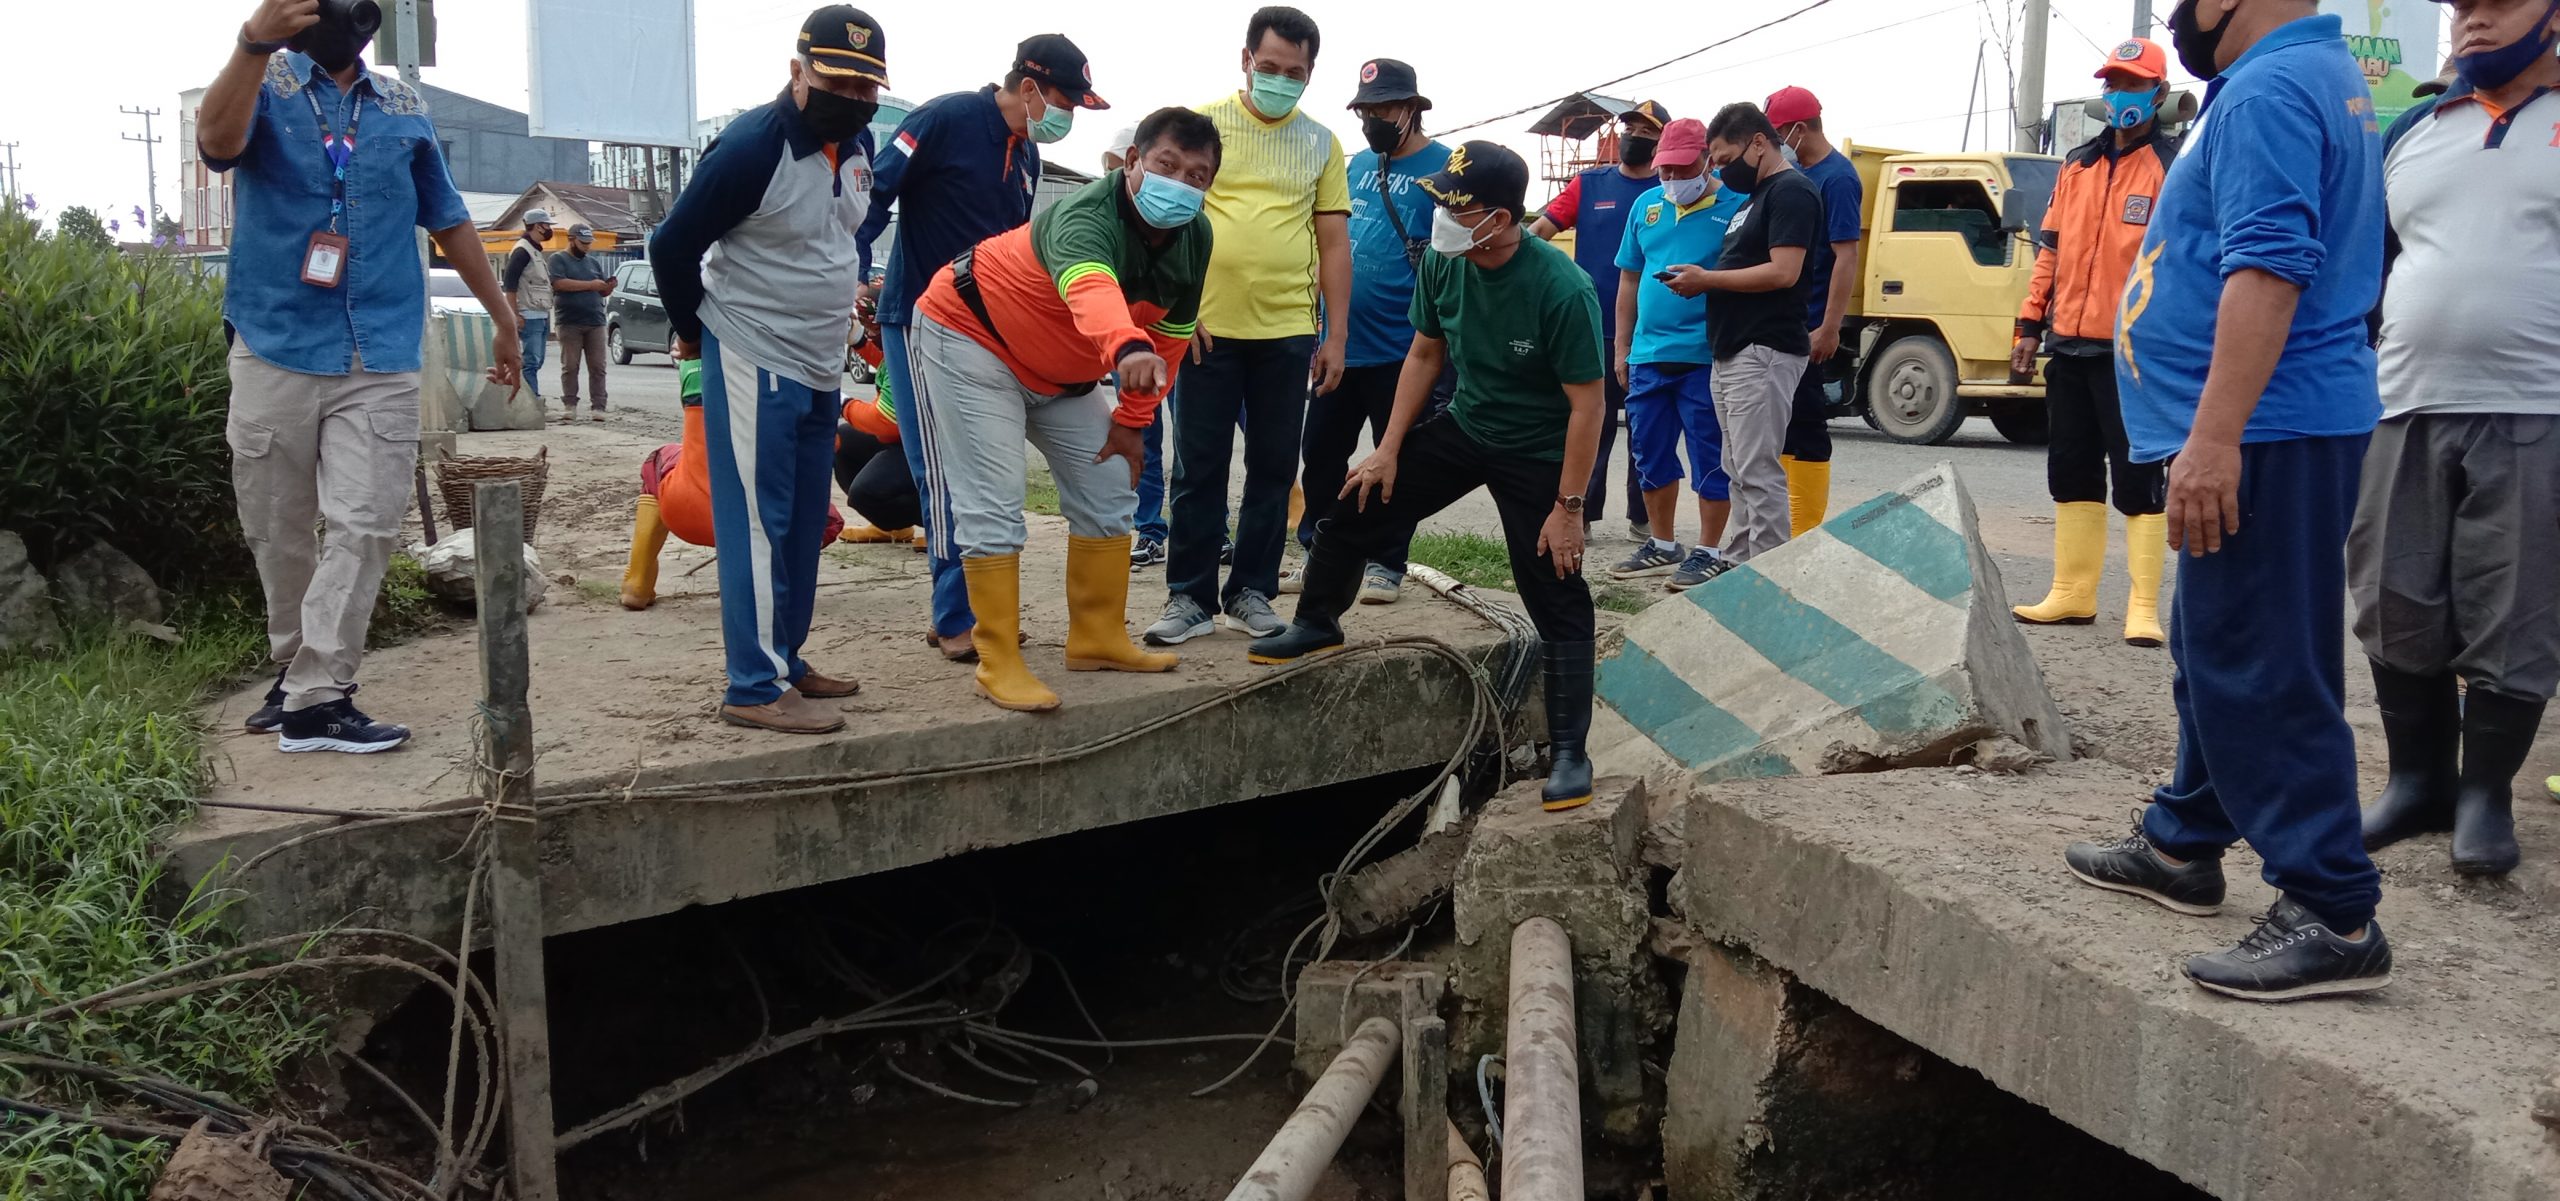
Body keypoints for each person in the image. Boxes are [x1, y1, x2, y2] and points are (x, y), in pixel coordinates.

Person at [2063, 0, 2392, 1001]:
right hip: (2274, 420)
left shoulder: (2270, 89)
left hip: (2267, 426)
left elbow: (2270, 265)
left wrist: (2214, 438)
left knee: (2259, 656)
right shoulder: (2309, 77)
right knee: (2216, 639)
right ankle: (2183, 839)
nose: (2178, 12)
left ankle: (2333, 909)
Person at [1249, 141, 1606, 814]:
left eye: (1455, 204)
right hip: (1470, 425)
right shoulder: (1445, 263)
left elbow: (1589, 404)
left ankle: (1569, 750)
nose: (1438, 211)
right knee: (1357, 504)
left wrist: (1569, 506)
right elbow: (1424, 351)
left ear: (1499, 219)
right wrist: (1386, 448)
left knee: (1555, 584)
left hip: (1540, 449)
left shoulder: (1561, 288)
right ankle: (1318, 620)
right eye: (1440, 197)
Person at [201, 0, 519, 753]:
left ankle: (318, 696)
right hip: (275, 340)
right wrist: (251, 42)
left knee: (367, 523)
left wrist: (503, 316)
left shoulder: (405, 106)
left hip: (379, 349)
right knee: (276, 527)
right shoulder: (265, 78)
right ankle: (296, 673)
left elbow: (446, 216)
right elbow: (216, 143)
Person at [908, 107, 1219, 711]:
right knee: (995, 501)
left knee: (1110, 489)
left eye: (1198, 175)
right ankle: (997, 659)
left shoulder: (1197, 238)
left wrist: (1133, 423)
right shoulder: (1084, 214)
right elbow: (1092, 290)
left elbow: (1174, 339)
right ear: (1133, 162)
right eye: (1167, 165)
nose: (1181, 184)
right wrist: (1127, 345)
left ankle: (1097, 636)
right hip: (973, 337)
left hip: (1061, 372)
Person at [2350, 0, 2560, 878]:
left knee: (2513, 608)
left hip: (2536, 405)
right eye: (2461, 7)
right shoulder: (2414, 129)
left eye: (2497, 2)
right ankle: (2419, 783)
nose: (2473, 21)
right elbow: (2375, 262)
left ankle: (2486, 794)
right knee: (2393, 593)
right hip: (2405, 402)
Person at [648, 5, 885, 735]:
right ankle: (752, 685)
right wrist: (694, 334)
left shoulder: (857, 144)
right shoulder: (753, 147)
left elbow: (840, 235)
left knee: (804, 520)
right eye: (838, 80)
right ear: (798, 72)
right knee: (755, 519)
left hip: (818, 361)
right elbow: (670, 246)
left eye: (867, 86)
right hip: (752, 351)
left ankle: (786, 655)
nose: (854, 97)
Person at [859, 33, 1108, 662]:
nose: (1068, 115)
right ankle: (956, 618)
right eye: (1064, 100)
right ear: (1028, 87)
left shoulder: (1026, 153)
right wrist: (850, 269)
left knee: (984, 474)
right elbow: (875, 190)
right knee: (942, 471)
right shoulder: (944, 120)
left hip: (993, 334)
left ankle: (977, 607)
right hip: (922, 317)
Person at [1146, 6, 1351, 647]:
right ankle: (1190, 598)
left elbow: (1335, 243)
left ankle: (1252, 591)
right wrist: (1180, 309)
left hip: (1288, 332)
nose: (1281, 79)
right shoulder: (1203, 130)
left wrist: (1335, 335)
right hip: (1204, 328)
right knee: (1198, 468)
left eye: (1295, 72)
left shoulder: (1322, 142)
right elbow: (1166, 220)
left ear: (1311, 74)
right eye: (1269, 67)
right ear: (1246, 61)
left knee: (1270, 467)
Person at [2009, 39, 2179, 647]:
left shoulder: (2172, 166)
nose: (2118, 95)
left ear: (2158, 94)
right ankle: (2073, 594)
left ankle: (2142, 605)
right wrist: (2030, 327)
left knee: (2138, 476)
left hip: (2135, 355)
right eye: (2111, 83)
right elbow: (2049, 253)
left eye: (2132, 84)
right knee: (2071, 469)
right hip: (2069, 347)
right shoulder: (2075, 165)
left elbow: (2182, 265)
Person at [1288, 56, 1454, 607]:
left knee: (1394, 459)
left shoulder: (1446, 169)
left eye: (1383, 108)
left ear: (1410, 108)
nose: (1372, 119)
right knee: (1321, 457)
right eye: (1365, 109)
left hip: (1405, 351)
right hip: (1340, 346)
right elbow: (1325, 244)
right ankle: (1318, 548)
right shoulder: (1354, 165)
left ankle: (1387, 561)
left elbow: (1455, 259)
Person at [1680, 103, 1820, 571]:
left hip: (1765, 348)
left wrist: (1707, 280)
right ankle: (1741, 562)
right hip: (1734, 349)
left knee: (1758, 471)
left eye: (1724, 159)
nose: (1721, 170)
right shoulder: (1753, 200)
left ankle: (1769, 575)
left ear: (1758, 142)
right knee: (1737, 469)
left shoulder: (1791, 193)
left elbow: (1784, 272)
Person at [1607, 118, 1743, 592]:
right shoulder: (1646, 205)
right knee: (1649, 451)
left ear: (1707, 159)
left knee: (1710, 455)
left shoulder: (1737, 205)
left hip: (1705, 355)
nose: (1671, 181)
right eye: (1664, 171)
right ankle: (1662, 544)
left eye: (1681, 170)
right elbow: (1628, 278)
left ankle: (1709, 549)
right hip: (1647, 353)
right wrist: (1622, 346)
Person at [1532, 99, 1669, 543]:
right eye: (1629, 128)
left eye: (1646, 132)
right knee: (1590, 424)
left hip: (1653, 334)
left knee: (1649, 430)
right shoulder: (1589, 185)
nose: (1634, 137)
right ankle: (1582, 514)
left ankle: (1644, 519)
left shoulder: (1671, 191)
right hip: (1593, 330)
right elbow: (1541, 233)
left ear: (1662, 140)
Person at [620, 358, 850, 610]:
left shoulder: (694, 364)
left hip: (686, 510)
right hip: (766, 521)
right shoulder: (791, 372)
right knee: (828, 518)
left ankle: (637, 581)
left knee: (661, 458)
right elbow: (825, 448)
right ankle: (775, 582)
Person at [1761, 86, 1864, 537]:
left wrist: (1829, 327)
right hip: (1784, 322)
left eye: (1778, 132)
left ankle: (1804, 532)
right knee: (1779, 425)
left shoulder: (1836, 178)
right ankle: (1783, 527)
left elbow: (1846, 255)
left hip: (1811, 324)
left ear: (1799, 129)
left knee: (1805, 424)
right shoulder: (1794, 173)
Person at [549, 224, 615, 421]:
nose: (587, 247)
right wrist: (590, 285)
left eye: (589, 243)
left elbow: (601, 289)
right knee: (570, 365)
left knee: (598, 366)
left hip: (595, 320)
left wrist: (607, 287)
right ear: (571, 239)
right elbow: (559, 283)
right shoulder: (558, 259)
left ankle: (598, 406)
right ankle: (570, 405)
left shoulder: (593, 263)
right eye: (583, 243)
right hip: (569, 321)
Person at [501, 210, 555, 401]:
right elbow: (510, 285)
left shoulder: (535, 250)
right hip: (528, 314)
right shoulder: (522, 251)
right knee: (531, 361)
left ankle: (528, 399)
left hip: (539, 313)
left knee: (536, 361)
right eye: (547, 225)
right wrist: (514, 315)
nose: (549, 229)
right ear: (537, 225)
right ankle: (531, 401)